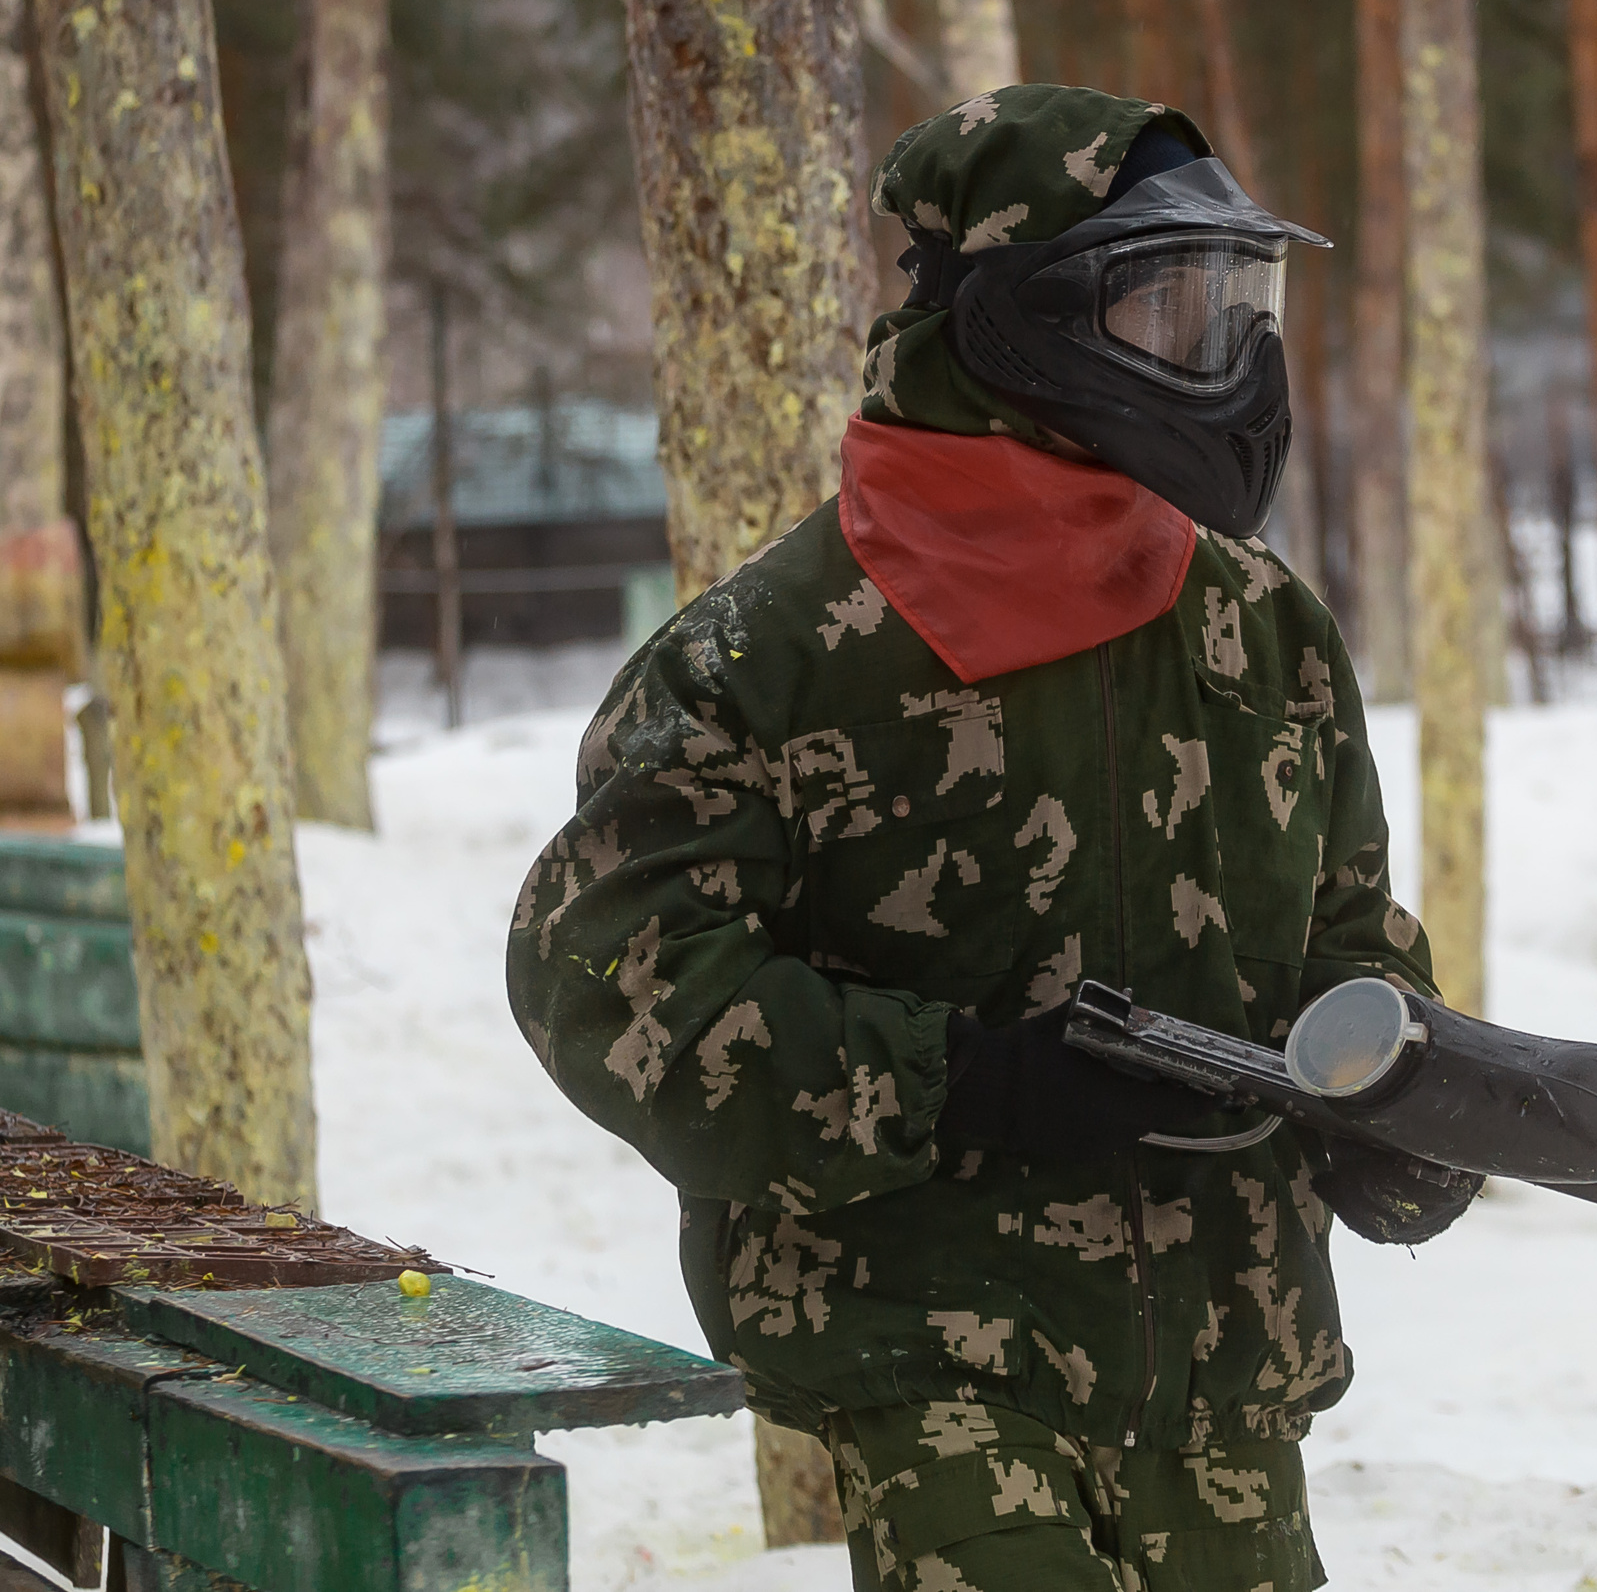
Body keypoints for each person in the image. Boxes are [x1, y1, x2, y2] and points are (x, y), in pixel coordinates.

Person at [506, 84, 1477, 1592]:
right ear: (1027, 320)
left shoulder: (1260, 627)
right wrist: (961, 1084)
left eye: (1243, 308)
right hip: (933, 1346)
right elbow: (607, 979)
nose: (1230, 361)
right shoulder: (783, 650)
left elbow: (1346, 936)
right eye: (1176, 312)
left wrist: (1407, 1094)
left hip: (1224, 1359)